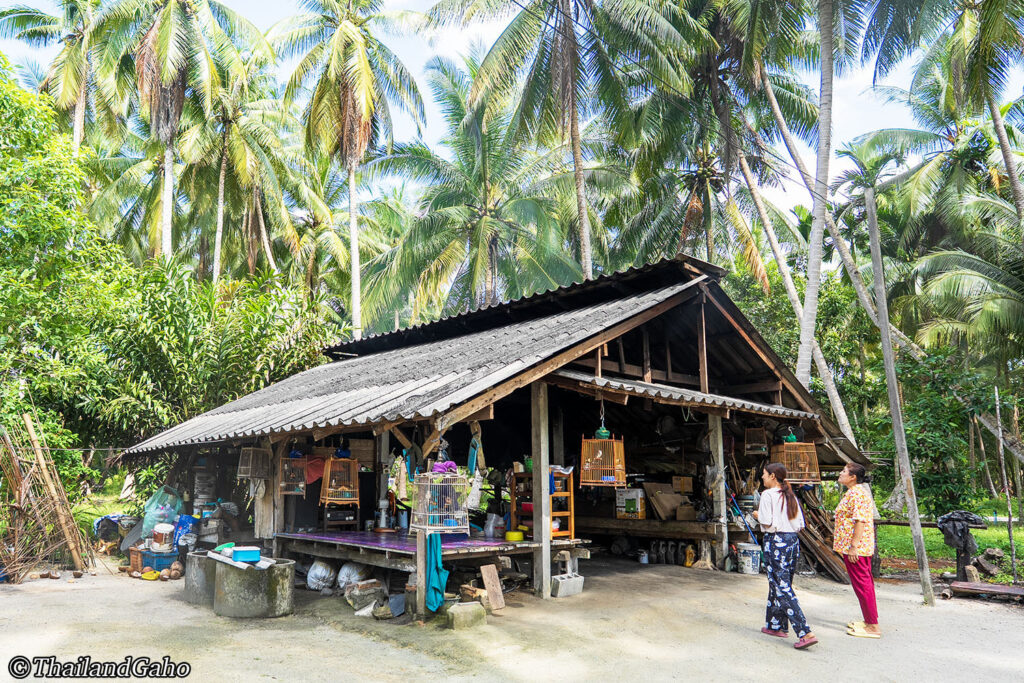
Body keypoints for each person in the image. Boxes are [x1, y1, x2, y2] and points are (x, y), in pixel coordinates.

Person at [752, 462, 818, 650]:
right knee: (779, 582)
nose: (762, 477)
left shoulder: (768, 495)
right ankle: (776, 625)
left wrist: (757, 515)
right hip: (792, 541)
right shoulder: (790, 495)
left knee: (781, 586)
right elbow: (800, 524)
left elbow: (766, 521)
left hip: (775, 541)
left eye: (764, 474)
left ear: (773, 476)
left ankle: (805, 632)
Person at [834, 462, 880, 638]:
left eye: (844, 471)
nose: (840, 473)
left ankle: (873, 626)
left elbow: (860, 521)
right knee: (863, 584)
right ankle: (869, 620)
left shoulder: (858, 494)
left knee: (863, 585)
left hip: (856, 549)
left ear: (853, 477)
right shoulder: (853, 492)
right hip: (854, 547)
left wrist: (854, 546)